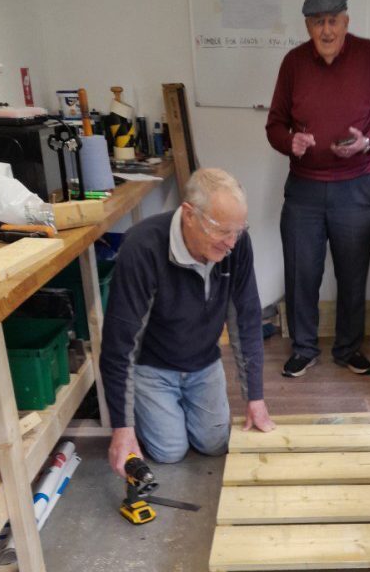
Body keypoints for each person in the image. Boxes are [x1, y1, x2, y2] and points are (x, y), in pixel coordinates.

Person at [100, 168, 275, 477]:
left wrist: (255, 397)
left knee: (214, 444)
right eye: (222, 231)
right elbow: (119, 343)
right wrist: (122, 427)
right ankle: (146, 407)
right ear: (189, 215)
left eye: (238, 230)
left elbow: (246, 319)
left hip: (203, 364)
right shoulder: (142, 248)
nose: (231, 243)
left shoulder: (236, 244)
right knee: (170, 452)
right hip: (154, 368)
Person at [266, 0, 370, 379]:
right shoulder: (293, 63)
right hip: (304, 188)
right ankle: (304, 348)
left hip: (355, 186)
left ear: (346, 21)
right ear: (307, 25)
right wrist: (292, 142)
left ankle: (347, 348)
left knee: (352, 274)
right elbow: (274, 125)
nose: (326, 31)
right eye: (317, 22)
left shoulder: (369, 55)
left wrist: (366, 142)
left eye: (333, 21)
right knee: (301, 272)